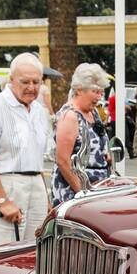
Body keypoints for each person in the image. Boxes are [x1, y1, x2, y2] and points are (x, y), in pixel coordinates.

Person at [0, 52, 52, 248]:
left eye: (36, 82)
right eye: (25, 82)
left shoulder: (39, 110)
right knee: (4, 250)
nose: (31, 87)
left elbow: (36, 160)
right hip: (7, 183)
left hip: (35, 184)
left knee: (35, 249)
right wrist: (2, 200)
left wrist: (44, 198)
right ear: (11, 80)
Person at [51, 63, 111, 205]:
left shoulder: (93, 112)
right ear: (79, 90)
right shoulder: (70, 116)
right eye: (95, 92)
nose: (99, 97)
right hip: (75, 192)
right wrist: (82, 192)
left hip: (96, 189)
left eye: (101, 92)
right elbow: (63, 161)